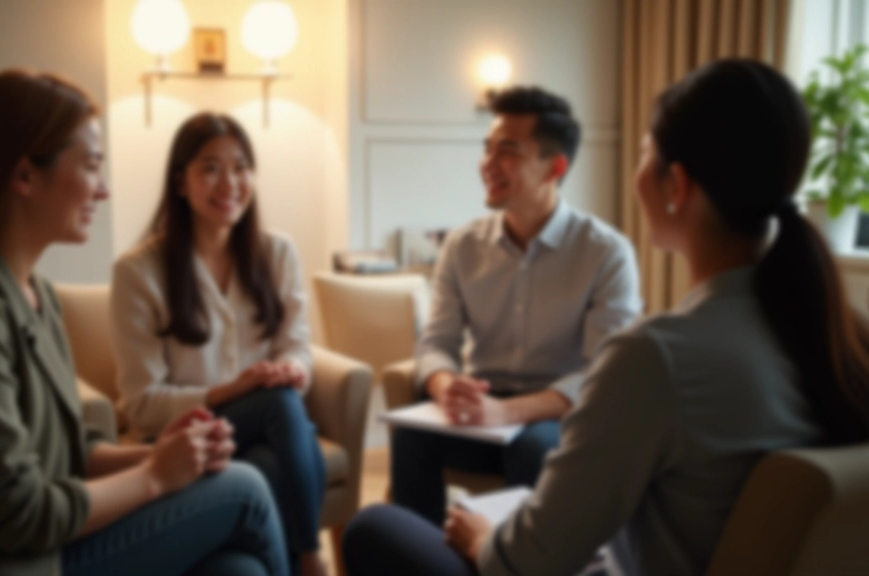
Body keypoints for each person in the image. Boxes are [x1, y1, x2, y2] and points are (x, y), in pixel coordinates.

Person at [343, 59, 869, 576]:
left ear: (676, 186)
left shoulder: (651, 355)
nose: (489, 161)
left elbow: (526, 563)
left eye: (644, 153)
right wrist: (445, 385)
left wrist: (484, 536)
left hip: (548, 479)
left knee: (371, 529)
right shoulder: (836, 333)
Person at [0, 70, 288, 576]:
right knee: (245, 487)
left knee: (237, 571)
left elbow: (64, 450)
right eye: (92, 167)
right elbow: (17, 514)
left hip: (34, 546)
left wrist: (166, 454)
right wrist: (155, 477)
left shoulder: (35, 295)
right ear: (25, 176)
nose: (104, 191)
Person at [394, 86, 642, 526]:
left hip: (557, 416)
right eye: (487, 148)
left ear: (556, 167)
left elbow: (603, 374)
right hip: (484, 408)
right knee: (413, 432)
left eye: (507, 150)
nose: (487, 163)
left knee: (534, 447)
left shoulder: (605, 252)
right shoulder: (463, 245)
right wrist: (446, 387)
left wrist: (509, 412)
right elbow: (435, 343)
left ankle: (514, 562)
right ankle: (424, 558)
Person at [110, 112, 326, 576]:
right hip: (186, 435)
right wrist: (233, 391)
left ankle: (277, 560)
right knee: (280, 408)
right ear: (181, 183)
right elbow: (141, 404)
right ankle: (310, 556)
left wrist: (290, 369)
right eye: (210, 167)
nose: (230, 182)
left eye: (241, 166)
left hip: (268, 431)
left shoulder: (278, 252)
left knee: (280, 421)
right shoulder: (139, 271)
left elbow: (298, 347)